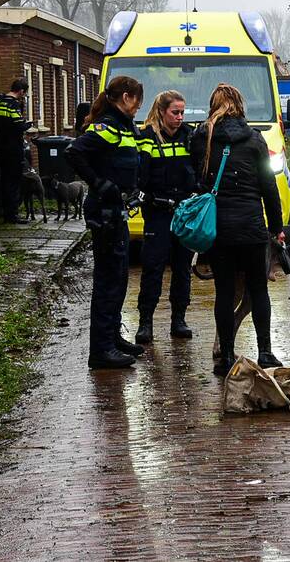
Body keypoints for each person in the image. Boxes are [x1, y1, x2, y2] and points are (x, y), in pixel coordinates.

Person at [190, 84, 285, 376]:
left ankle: (227, 356)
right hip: (252, 227)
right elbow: (269, 187)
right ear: (240, 106)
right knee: (258, 290)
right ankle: (266, 352)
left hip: (220, 231)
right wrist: (276, 228)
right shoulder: (255, 140)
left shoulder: (201, 138)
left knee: (224, 291)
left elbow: (197, 181)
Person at [65, 76, 148, 369]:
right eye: (137, 100)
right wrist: (100, 184)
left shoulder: (123, 126)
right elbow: (74, 152)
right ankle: (101, 350)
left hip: (117, 212)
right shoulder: (107, 126)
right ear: (125, 97)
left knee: (120, 278)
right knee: (108, 282)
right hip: (105, 214)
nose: (139, 106)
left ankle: (112, 337)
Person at [135, 90, 196, 344]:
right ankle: (145, 322)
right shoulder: (147, 137)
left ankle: (178, 319)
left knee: (182, 269)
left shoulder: (189, 136)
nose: (180, 117)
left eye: (182, 112)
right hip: (157, 213)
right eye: (175, 112)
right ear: (162, 112)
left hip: (183, 213)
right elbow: (139, 176)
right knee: (153, 268)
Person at [0, 79, 32, 224]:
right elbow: (18, 125)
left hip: (1, 147)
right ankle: (12, 215)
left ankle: (4, 211)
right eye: (24, 93)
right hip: (13, 147)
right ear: (21, 91)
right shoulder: (13, 104)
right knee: (14, 180)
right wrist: (27, 125)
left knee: (3, 179)